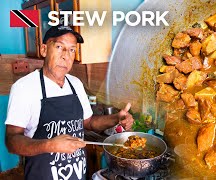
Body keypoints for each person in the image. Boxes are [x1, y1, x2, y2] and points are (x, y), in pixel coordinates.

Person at [5, 25, 134, 180]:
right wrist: (50, 145)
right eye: (59, 47)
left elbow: (89, 122)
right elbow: (12, 140)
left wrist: (116, 118)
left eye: (72, 49)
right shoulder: (24, 87)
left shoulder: (75, 84)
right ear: (44, 50)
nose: (66, 56)